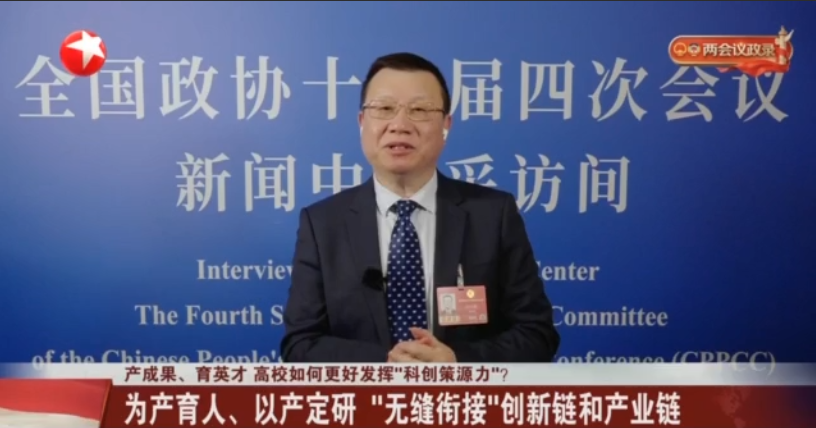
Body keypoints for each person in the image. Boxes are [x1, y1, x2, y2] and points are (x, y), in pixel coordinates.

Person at [280, 52, 560, 363]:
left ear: (446, 125)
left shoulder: (493, 215)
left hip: (461, 393)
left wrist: (456, 361)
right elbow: (300, 345)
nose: (400, 125)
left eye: (420, 110)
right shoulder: (322, 224)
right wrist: (387, 363)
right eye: (384, 108)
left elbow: (537, 334)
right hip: (364, 394)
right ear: (362, 122)